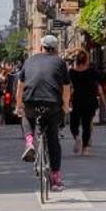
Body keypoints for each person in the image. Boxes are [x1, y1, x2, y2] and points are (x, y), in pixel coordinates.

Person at [16, 34, 72, 189]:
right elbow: (67, 89)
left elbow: (20, 87)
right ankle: (55, 179)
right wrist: (66, 106)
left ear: (41, 47)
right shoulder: (60, 63)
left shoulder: (29, 61)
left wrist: (18, 105)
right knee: (53, 139)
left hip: (31, 102)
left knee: (25, 115)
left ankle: (29, 142)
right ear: (56, 49)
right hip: (52, 104)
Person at [68, 46, 106, 154]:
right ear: (86, 60)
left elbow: (65, 85)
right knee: (87, 125)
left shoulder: (71, 72)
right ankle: (85, 149)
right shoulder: (92, 71)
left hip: (76, 101)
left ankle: (76, 137)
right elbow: (104, 79)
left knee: (73, 123)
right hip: (90, 101)